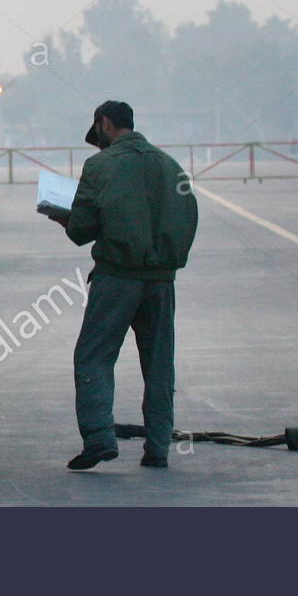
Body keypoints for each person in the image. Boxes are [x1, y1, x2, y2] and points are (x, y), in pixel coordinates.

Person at [39, 100, 198, 471]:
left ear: (105, 124)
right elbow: (187, 218)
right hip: (161, 281)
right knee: (159, 365)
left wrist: (61, 216)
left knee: (94, 356)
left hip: (116, 278)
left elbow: (81, 231)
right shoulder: (169, 165)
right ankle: (158, 448)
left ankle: (99, 439)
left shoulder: (100, 165)